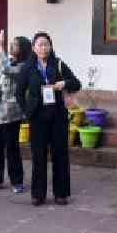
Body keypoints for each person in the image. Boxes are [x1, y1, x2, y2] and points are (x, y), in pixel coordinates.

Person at [17, 32, 81, 206]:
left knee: (60, 155)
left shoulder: (58, 64)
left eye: (46, 44)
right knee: (38, 156)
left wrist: (65, 83)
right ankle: (38, 194)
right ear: (33, 48)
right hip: (37, 118)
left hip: (58, 116)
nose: (43, 48)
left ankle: (61, 194)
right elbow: (19, 92)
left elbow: (77, 83)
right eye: (39, 45)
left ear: (51, 46)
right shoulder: (28, 68)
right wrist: (27, 111)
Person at [0, 31, 30, 193]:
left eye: (16, 44)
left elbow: (6, 69)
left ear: (23, 48)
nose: (12, 45)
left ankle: (17, 181)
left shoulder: (24, 66)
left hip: (11, 111)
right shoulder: (7, 59)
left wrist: (1, 47)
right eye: (12, 43)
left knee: (12, 146)